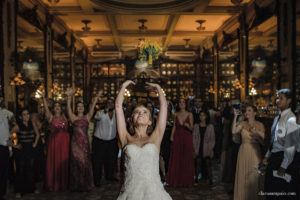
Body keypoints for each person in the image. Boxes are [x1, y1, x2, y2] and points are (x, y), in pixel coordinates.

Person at [115, 80, 172, 200]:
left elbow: (164, 106)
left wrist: (158, 87)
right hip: (131, 193)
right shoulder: (126, 137)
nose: (141, 114)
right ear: (131, 119)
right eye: (137, 112)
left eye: (145, 112)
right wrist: (124, 86)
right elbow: (118, 107)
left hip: (154, 194)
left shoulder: (155, 137)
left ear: (150, 121)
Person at [263, 89, 299, 200]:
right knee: (269, 190)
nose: (278, 100)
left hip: (282, 159)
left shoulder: (291, 118)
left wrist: (283, 166)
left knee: (278, 193)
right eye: (277, 97)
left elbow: (290, 145)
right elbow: (274, 140)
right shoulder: (276, 118)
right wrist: (267, 156)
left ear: (289, 101)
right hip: (274, 157)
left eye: (281, 98)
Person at [66, 89, 102, 191]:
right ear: (76, 109)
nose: (80, 108)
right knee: (76, 163)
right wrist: (69, 97)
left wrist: (97, 97)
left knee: (84, 163)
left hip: (85, 143)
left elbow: (93, 107)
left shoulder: (87, 117)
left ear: (83, 108)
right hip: (75, 144)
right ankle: (76, 185)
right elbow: (68, 108)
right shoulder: (73, 117)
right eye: (78, 107)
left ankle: (85, 184)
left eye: (81, 107)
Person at [232, 105, 265, 200]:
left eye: (249, 110)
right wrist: (235, 117)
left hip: (255, 152)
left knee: (254, 176)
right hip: (243, 151)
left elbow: (263, 143)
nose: (246, 112)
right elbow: (234, 131)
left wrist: (256, 135)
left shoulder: (260, 125)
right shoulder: (242, 123)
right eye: (246, 111)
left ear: (255, 113)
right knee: (243, 176)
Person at [42, 94, 70, 192]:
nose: (57, 108)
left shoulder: (64, 116)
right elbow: (46, 109)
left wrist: (69, 97)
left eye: (59, 106)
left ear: (61, 108)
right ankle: (53, 184)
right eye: (55, 107)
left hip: (64, 144)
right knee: (54, 162)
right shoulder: (50, 117)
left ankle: (63, 183)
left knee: (63, 163)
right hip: (54, 144)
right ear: (53, 109)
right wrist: (43, 98)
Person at [11, 108, 40, 198]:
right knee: (20, 170)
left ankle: (31, 188)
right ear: (20, 116)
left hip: (30, 149)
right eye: (24, 114)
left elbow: (38, 134)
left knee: (30, 169)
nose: (27, 116)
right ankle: (19, 191)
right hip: (21, 150)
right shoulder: (18, 126)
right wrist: (14, 145)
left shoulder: (32, 124)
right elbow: (8, 134)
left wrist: (35, 143)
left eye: (27, 114)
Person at [167, 98, 195, 187]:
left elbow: (192, 128)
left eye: (183, 102)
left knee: (186, 157)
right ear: (178, 104)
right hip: (178, 137)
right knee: (177, 157)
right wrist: (171, 136)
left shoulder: (190, 114)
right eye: (180, 102)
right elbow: (174, 126)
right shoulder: (175, 114)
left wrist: (188, 126)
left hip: (187, 137)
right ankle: (177, 180)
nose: (182, 103)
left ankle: (186, 181)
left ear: (186, 104)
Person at [92, 98, 119, 187]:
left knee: (111, 160)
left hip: (112, 141)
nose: (110, 104)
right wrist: (105, 111)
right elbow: (96, 117)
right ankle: (97, 179)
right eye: (108, 102)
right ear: (106, 104)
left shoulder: (117, 113)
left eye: (112, 103)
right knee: (98, 161)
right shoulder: (100, 113)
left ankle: (109, 176)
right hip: (99, 141)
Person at [193, 110, 215, 185]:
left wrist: (210, 149)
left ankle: (210, 179)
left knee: (208, 163)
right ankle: (196, 178)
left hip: (207, 147)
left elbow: (212, 139)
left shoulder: (210, 126)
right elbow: (194, 138)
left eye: (203, 115)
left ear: (206, 116)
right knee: (198, 163)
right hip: (198, 147)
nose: (202, 117)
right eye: (200, 115)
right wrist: (195, 148)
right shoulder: (196, 126)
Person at [0, 97, 14, 200]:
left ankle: (2, 193)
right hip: (2, 145)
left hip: (4, 147)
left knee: (4, 171)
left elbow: (6, 131)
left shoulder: (4, 113)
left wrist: (9, 148)